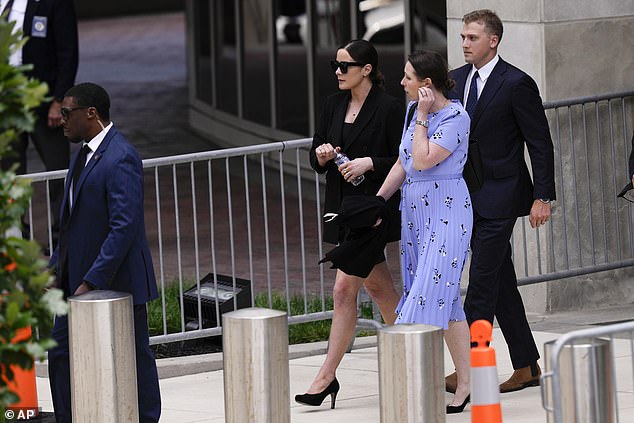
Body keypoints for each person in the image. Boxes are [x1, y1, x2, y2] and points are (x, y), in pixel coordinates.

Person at [445, 9, 556, 394]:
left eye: (472, 38)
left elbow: (539, 143)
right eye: (462, 37)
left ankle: (472, 367)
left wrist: (542, 196)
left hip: (503, 196)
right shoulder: (454, 81)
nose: (464, 44)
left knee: (479, 286)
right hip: (464, 198)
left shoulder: (516, 83)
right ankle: (526, 364)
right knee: (500, 282)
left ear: (493, 40)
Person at [295, 39, 403, 409]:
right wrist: (323, 156)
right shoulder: (332, 105)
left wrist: (369, 162)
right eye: (335, 66)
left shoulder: (389, 107)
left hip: (372, 211)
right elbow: (315, 155)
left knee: (343, 291)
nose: (338, 73)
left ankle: (326, 377)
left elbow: (403, 159)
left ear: (366, 70)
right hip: (341, 209)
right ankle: (414, 354)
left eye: (345, 66)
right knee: (381, 291)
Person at [48, 83, 161, 422]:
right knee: (60, 353)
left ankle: (146, 418)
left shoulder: (121, 156)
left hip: (114, 282)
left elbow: (123, 227)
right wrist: (56, 269)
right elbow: (70, 224)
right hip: (75, 282)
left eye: (67, 113)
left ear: (91, 114)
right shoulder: (82, 155)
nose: (62, 120)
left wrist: (92, 282)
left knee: (134, 356)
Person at [376, 50, 472, 414]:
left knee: (425, 296)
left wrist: (420, 117)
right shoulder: (411, 113)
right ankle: (465, 383)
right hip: (415, 212)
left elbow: (423, 158)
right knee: (447, 301)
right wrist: (379, 200)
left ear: (426, 85)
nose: (402, 83)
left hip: (447, 210)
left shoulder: (455, 116)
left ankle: (409, 379)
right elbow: (403, 162)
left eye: (408, 77)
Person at [0, 0, 79, 248]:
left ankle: (63, 242)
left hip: (43, 103)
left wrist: (59, 101)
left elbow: (68, 52)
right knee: (9, 175)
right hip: (6, 102)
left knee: (58, 173)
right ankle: (16, 238)